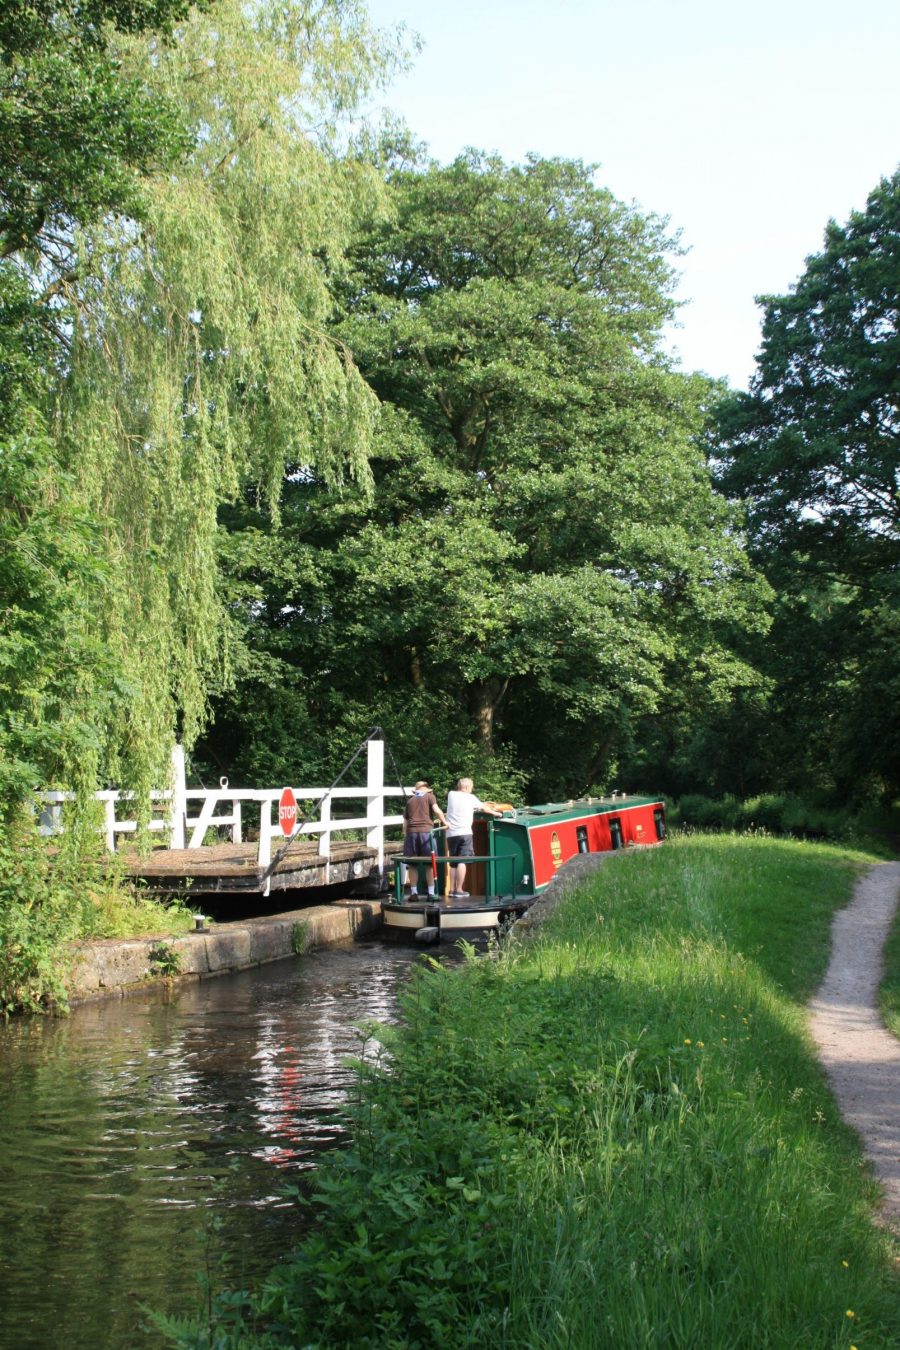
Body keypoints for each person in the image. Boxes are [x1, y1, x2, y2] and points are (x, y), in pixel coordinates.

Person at [445, 777, 503, 898]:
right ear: (466, 787)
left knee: (453, 862)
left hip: (451, 834)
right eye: (471, 788)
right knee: (462, 861)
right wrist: (496, 813)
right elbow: (484, 808)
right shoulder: (471, 798)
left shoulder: (451, 795)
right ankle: (459, 890)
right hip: (465, 833)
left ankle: (451, 890)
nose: (472, 790)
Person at [402, 780, 448, 897]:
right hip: (426, 833)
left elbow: (405, 822)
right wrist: (445, 822)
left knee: (412, 865)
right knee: (430, 864)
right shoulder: (430, 797)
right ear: (427, 789)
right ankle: (431, 893)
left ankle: (414, 893)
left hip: (411, 833)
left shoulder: (410, 801)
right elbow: (436, 810)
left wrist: (405, 835)